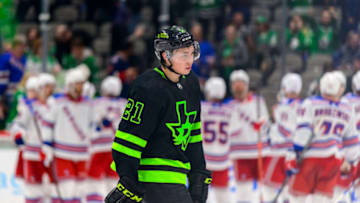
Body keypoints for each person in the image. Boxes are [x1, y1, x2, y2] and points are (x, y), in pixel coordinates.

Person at [105, 25, 211, 203]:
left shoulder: (191, 83)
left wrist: (198, 171)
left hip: (177, 178)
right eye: (183, 54)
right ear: (165, 56)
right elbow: (128, 140)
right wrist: (128, 180)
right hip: (150, 180)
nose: (190, 60)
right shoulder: (148, 87)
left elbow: (193, 135)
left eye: (192, 53)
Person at [287, 72, 360, 203]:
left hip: (310, 158)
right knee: (322, 199)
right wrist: (350, 161)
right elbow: (352, 141)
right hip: (333, 160)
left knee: (298, 197)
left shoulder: (310, 103)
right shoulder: (346, 108)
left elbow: (303, 133)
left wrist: (294, 155)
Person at [41, 68, 93, 202]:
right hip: (62, 153)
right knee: (66, 189)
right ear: (70, 84)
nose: (81, 87)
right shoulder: (57, 101)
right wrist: (47, 145)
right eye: (78, 83)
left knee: (79, 191)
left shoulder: (89, 103)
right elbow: (47, 123)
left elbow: (93, 126)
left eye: (82, 83)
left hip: (82, 153)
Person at [11, 76, 56, 202]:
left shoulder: (54, 105)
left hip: (50, 155)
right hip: (32, 154)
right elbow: (17, 124)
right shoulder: (28, 106)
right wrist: (19, 134)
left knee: (51, 191)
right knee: (32, 191)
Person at [228, 70, 270, 203]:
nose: (238, 87)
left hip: (260, 152)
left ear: (246, 85)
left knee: (265, 190)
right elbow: (229, 130)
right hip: (240, 154)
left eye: (240, 84)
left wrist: (261, 124)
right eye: (235, 84)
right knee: (243, 192)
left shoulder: (258, 101)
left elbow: (266, 124)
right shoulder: (229, 106)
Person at [262, 73, 303, 203]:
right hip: (296, 156)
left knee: (269, 189)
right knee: (290, 192)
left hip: (278, 155)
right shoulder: (305, 106)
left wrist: (274, 118)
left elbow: (283, 132)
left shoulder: (281, 106)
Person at [86, 76, 127, 202]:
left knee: (93, 180)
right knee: (113, 180)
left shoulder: (97, 103)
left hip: (99, 148)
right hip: (118, 149)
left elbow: (90, 124)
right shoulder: (125, 104)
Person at [201, 77, 234, 203]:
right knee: (224, 198)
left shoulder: (200, 107)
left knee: (199, 196)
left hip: (204, 161)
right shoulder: (230, 109)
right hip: (222, 161)